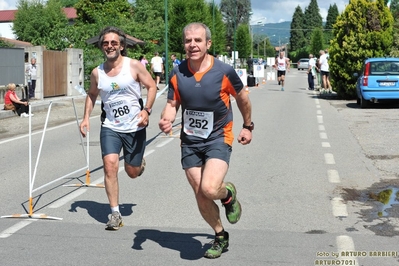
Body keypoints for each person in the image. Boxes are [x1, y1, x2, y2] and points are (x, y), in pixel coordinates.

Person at [158, 22, 253, 259]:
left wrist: (248, 126)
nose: (192, 45)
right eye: (188, 41)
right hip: (190, 141)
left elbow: (242, 98)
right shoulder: (177, 73)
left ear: (208, 44)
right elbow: (172, 103)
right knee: (200, 193)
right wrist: (166, 119)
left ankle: (227, 194)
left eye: (198, 40)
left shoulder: (224, 71)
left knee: (210, 188)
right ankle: (220, 234)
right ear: (184, 44)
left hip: (219, 136)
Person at [79, 26, 157, 231]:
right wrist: (86, 117)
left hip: (135, 126)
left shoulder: (134, 66)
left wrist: (147, 110)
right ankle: (115, 213)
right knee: (110, 165)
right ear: (101, 47)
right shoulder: (97, 72)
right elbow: (92, 94)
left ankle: (138, 163)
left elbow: (152, 86)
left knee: (132, 171)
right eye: (105, 43)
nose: (109, 46)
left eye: (114, 43)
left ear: (121, 46)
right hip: (110, 127)